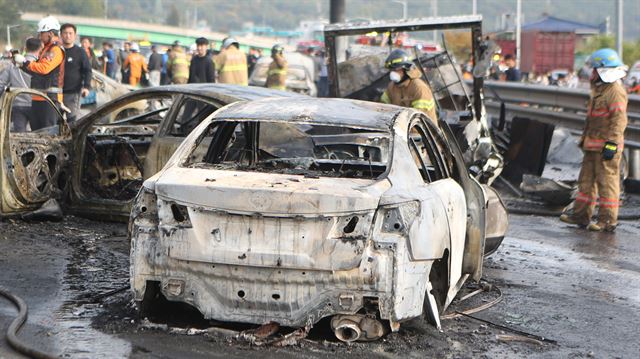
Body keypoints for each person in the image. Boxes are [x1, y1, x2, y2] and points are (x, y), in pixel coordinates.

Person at [560, 48, 629, 232]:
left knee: (607, 183)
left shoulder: (615, 91)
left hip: (606, 147)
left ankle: (607, 221)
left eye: (595, 69)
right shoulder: (600, 91)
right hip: (592, 145)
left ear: (603, 70)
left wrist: (612, 144)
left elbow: (619, 120)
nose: (592, 73)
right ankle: (581, 216)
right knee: (586, 182)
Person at [14, 16, 65, 130]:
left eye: (42, 33)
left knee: (47, 134)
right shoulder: (46, 50)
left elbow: (44, 69)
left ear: (50, 33)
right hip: (38, 98)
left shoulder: (55, 50)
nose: (40, 36)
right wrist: (22, 65)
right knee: (36, 133)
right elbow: (36, 71)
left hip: (49, 100)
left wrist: (25, 62)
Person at [379, 49, 438, 124]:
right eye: (391, 70)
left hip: (420, 134)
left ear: (406, 69)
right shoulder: (392, 86)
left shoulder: (419, 88)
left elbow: (418, 120)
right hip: (400, 131)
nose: (392, 73)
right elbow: (383, 107)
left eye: (396, 69)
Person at [0, 38, 40, 132]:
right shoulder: (40, 65)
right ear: (40, 49)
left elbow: (1, 83)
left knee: (20, 135)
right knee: (38, 134)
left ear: (25, 48)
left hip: (18, 104)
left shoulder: (13, 65)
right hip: (37, 104)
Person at [60, 23, 92, 123]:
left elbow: (87, 70)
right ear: (61, 34)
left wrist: (86, 87)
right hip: (56, 93)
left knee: (71, 122)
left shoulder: (80, 52)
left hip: (73, 93)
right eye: (65, 33)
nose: (68, 36)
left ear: (75, 35)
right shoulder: (56, 51)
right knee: (55, 122)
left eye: (70, 33)